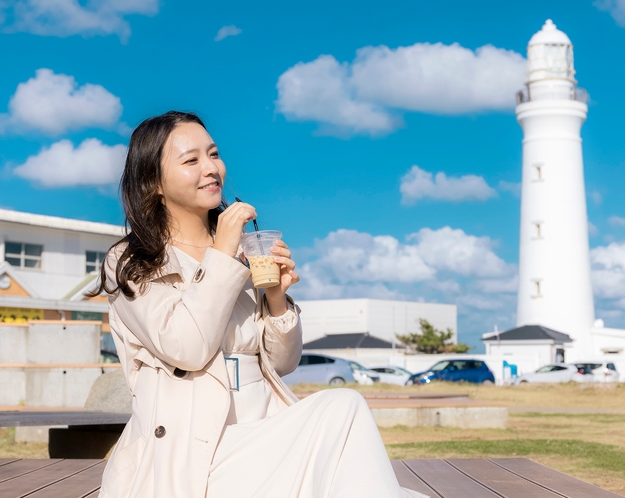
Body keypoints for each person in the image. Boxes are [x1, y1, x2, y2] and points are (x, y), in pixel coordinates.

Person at [94, 111, 429, 498]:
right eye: (191, 160)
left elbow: (283, 364)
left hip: (265, 430)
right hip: (194, 454)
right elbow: (186, 347)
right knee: (345, 408)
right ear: (153, 182)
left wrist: (276, 297)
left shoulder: (242, 251)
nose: (211, 168)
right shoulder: (132, 261)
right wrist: (221, 256)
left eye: (214, 154)